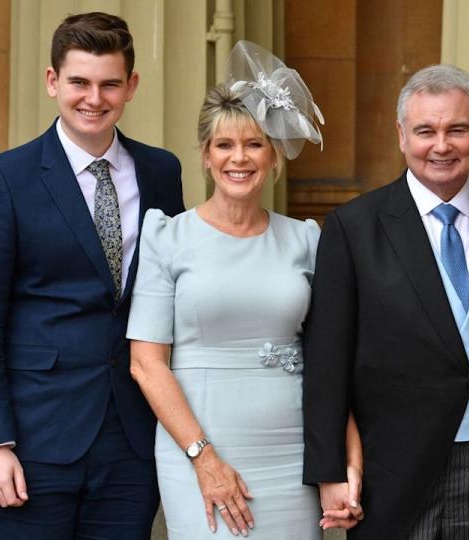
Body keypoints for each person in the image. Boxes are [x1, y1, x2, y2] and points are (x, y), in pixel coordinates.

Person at [0, 12, 184, 538]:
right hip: (31, 440)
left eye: (109, 84)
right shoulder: (5, 178)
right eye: (79, 81)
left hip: (131, 440)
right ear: (54, 81)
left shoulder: (161, 172)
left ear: (131, 87)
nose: (93, 98)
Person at [126, 40, 354, 539]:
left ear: (273, 156)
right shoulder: (167, 237)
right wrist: (203, 459)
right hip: (200, 450)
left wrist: (344, 462)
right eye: (225, 145)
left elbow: (334, 361)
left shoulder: (307, 239)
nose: (239, 158)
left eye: (254, 144)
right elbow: (146, 363)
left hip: (294, 454)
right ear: (206, 156)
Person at [302, 64, 469, 539]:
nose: (441, 146)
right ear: (402, 135)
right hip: (393, 471)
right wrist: (330, 470)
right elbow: (326, 359)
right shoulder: (353, 228)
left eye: (457, 129)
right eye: (426, 131)